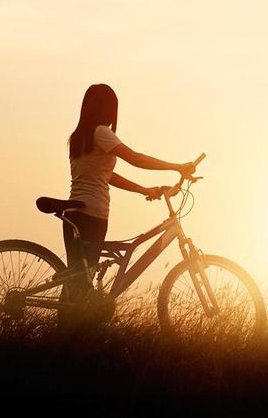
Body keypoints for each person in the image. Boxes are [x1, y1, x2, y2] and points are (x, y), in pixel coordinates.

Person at [62, 84, 198, 309]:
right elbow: (135, 158)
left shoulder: (79, 136)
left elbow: (106, 175)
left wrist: (144, 190)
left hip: (75, 215)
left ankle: (64, 336)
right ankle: (70, 335)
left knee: (77, 284)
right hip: (92, 214)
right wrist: (176, 166)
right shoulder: (101, 132)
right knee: (80, 288)